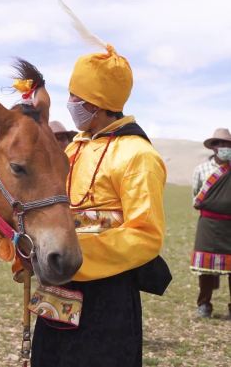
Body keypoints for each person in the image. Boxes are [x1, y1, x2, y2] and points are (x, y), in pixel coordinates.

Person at [30, 41, 167, 366]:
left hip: (107, 293)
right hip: (58, 287)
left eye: (77, 98)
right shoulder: (73, 148)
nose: (70, 103)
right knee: (48, 359)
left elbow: (146, 235)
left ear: (101, 103)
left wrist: (76, 256)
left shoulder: (138, 155)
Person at [190, 128, 231, 318]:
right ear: (213, 147)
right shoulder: (201, 170)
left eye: (227, 144)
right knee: (206, 268)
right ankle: (204, 304)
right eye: (220, 144)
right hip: (208, 224)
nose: (223, 147)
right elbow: (196, 198)